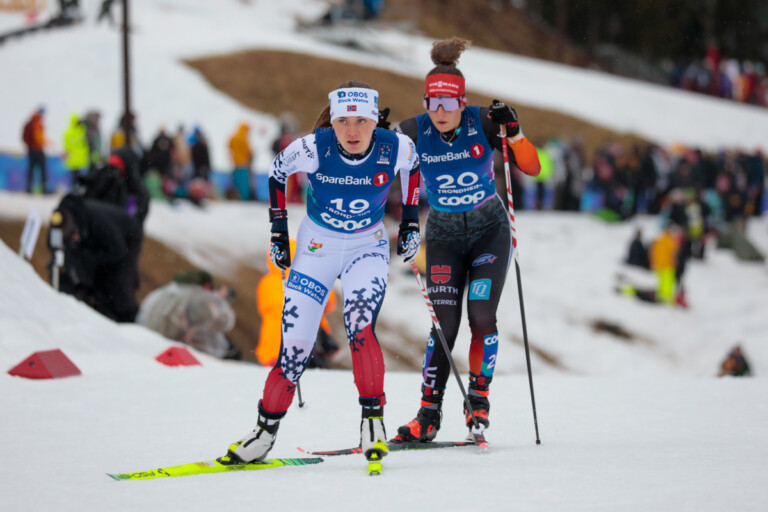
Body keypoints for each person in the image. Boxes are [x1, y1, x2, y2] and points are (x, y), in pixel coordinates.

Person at [226, 80, 420, 465]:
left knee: (360, 326)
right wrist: (278, 230)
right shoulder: (314, 146)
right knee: (295, 348)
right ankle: (264, 432)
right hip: (317, 247)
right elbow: (277, 171)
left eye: (361, 121)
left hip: (366, 246)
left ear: (374, 122)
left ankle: (372, 421)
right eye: (343, 121)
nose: (352, 131)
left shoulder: (394, 146)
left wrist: (411, 222)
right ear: (331, 121)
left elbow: (412, 168)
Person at [392, 38, 541, 443]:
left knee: (481, 316)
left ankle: (478, 399)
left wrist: (515, 130)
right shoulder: (412, 131)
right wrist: (375, 136)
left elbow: (533, 166)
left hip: (489, 232)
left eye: (448, 104)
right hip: (442, 236)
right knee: (445, 325)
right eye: (431, 104)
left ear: (462, 101)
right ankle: (427, 414)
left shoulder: (484, 122)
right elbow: (374, 164)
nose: (440, 113)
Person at [48, 194, 142, 323]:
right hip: (98, 243)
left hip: (127, 237)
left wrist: (90, 258)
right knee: (79, 266)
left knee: (118, 280)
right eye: (68, 238)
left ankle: (129, 318)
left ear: (77, 225)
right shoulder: (58, 225)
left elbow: (118, 251)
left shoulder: (98, 221)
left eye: (73, 234)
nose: (73, 239)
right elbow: (54, 250)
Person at [255, 238, 339, 367]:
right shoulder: (273, 282)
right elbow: (282, 308)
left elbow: (326, 302)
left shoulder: (276, 281)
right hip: (283, 346)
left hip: (302, 346)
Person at [137, 270, 241, 360]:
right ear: (206, 285)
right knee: (232, 352)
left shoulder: (166, 291)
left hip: (146, 338)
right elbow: (223, 322)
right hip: (171, 346)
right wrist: (219, 299)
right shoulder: (199, 297)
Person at [22, 107, 48, 194]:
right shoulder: (37, 124)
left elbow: (24, 137)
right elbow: (38, 138)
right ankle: (44, 189)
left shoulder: (29, 124)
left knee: (31, 170)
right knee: (42, 170)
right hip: (37, 150)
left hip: (31, 150)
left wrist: (29, 145)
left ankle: (29, 188)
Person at [62, 113, 90, 190]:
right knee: (73, 176)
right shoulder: (71, 133)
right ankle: (73, 189)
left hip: (80, 159)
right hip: (74, 159)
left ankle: (77, 189)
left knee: (79, 177)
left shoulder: (81, 131)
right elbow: (67, 145)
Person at [228, 122, 254, 200]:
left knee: (236, 183)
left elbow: (229, 145)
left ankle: (236, 197)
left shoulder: (234, 137)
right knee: (244, 185)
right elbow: (249, 152)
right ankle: (244, 199)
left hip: (235, 164)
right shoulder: (244, 139)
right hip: (244, 165)